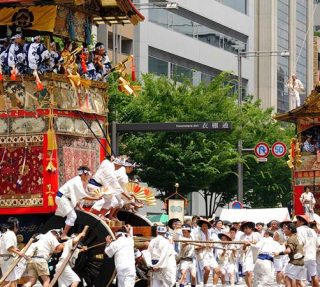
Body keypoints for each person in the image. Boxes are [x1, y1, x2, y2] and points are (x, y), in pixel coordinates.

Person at [55, 166, 99, 239]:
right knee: (72, 216)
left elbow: (75, 196)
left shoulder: (78, 180)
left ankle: (64, 232)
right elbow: (82, 196)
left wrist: (80, 207)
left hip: (65, 199)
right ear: (84, 174)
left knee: (72, 215)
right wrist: (96, 198)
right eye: (88, 175)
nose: (88, 177)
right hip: (62, 198)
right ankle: (63, 235)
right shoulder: (77, 182)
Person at [274, 223, 305, 287]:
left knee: (287, 279)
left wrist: (278, 253)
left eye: (285, 229)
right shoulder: (298, 237)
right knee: (298, 281)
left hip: (294, 262)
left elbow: (288, 250)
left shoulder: (291, 238)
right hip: (301, 262)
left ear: (290, 230)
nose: (284, 230)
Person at [0, 217, 28, 287]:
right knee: (13, 280)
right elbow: (9, 247)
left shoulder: (5, 233)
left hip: (5, 258)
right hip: (7, 259)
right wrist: (20, 253)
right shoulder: (10, 234)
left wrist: (17, 251)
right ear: (15, 225)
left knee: (6, 281)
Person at [194, 219, 220, 287]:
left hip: (210, 254)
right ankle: (205, 285)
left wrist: (212, 245)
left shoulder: (210, 233)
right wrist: (202, 246)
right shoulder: (197, 234)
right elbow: (195, 246)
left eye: (206, 226)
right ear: (201, 226)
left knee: (217, 270)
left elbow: (214, 243)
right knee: (207, 270)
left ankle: (214, 286)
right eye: (203, 226)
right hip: (202, 255)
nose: (204, 227)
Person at [296, 214, 319, 287]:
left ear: (301, 221)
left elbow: (300, 243)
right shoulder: (312, 231)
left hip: (302, 257)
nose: (296, 222)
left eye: (297, 220)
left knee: (298, 279)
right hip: (312, 257)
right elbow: (317, 244)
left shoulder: (298, 230)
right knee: (314, 276)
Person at [240, 221, 261, 287]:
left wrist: (251, 242)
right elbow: (241, 249)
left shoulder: (257, 235)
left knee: (255, 274)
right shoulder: (242, 236)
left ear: (251, 228)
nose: (245, 230)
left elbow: (260, 243)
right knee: (248, 272)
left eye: (246, 228)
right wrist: (245, 245)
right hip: (247, 256)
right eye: (244, 228)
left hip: (256, 255)